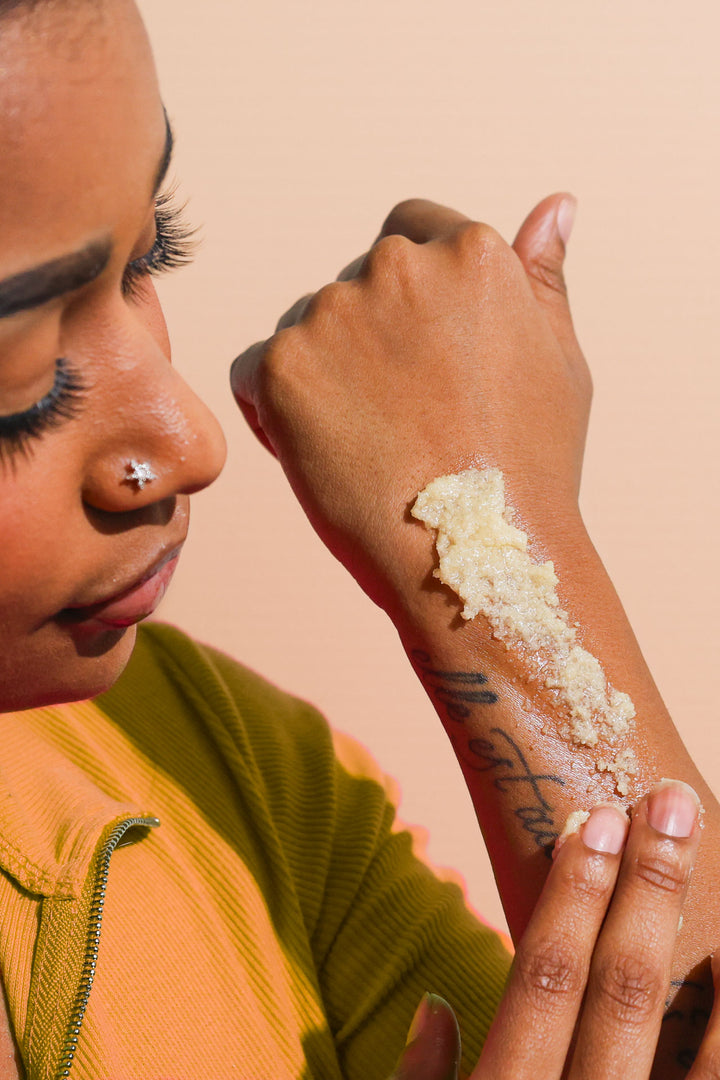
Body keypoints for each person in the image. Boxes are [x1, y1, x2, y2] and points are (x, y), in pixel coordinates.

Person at [0, 0, 717, 1077]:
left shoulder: (230, 779)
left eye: (152, 254)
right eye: (21, 379)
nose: (192, 442)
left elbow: (667, 1024)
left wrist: (487, 536)